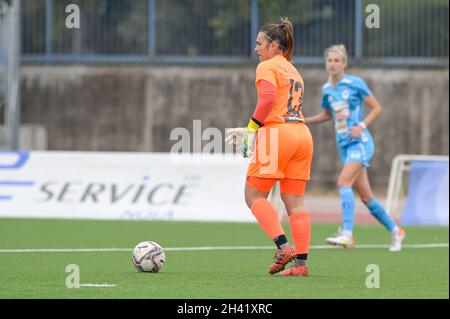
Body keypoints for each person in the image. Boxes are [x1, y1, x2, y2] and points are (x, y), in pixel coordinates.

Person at [226, 18, 313, 276]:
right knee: (295, 204)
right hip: (302, 135)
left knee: (253, 196)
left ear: (275, 45)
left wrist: (252, 129)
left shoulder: (267, 66)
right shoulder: (293, 70)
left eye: (260, 43)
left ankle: (283, 246)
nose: (256, 49)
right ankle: (301, 265)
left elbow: (267, 99)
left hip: (278, 136)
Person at [304, 44, 405, 252]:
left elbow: (376, 108)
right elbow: (327, 114)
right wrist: (304, 121)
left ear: (345, 64)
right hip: (344, 146)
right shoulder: (327, 89)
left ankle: (347, 234)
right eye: (329, 60)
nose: (333, 64)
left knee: (343, 182)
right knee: (367, 197)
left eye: (337, 61)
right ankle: (396, 230)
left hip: (360, 143)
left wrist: (361, 126)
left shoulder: (355, 83)